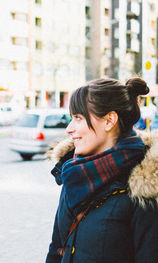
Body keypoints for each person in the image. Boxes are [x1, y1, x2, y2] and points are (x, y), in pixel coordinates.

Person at [46, 77, 158, 263]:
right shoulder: (73, 173)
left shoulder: (144, 189)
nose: (69, 128)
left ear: (109, 120)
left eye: (78, 118)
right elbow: (56, 247)